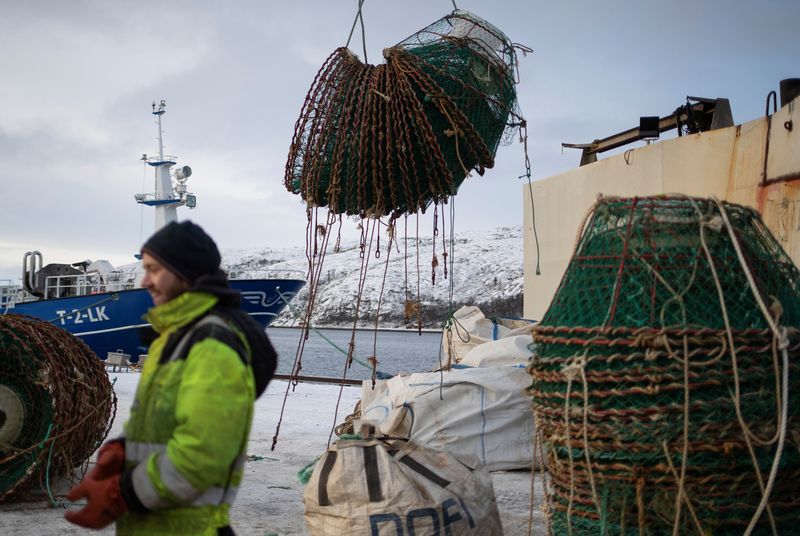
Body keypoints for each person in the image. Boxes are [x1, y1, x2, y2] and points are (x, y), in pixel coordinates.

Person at [64, 220, 277, 535]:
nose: (143, 282)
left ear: (185, 273)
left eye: (154, 269)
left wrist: (120, 494)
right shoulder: (172, 337)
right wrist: (124, 449)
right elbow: (168, 423)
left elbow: (200, 457)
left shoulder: (211, 349)